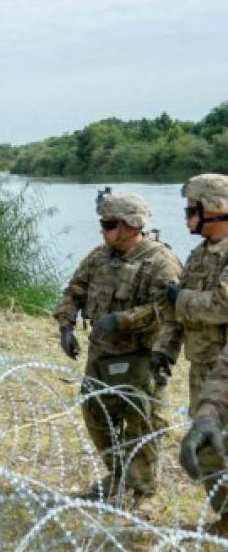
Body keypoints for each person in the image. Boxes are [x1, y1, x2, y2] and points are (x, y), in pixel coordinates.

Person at [54, 190, 181, 504]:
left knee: (142, 419)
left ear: (130, 225)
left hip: (139, 355)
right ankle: (118, 475)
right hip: (101, 354)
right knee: (97, 415)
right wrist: (66, 325)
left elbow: (169, 309)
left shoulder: (159, 262)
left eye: (110, 223)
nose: (104, 229)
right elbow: (75, 290)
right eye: (103, 223)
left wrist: (122, 320)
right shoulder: (100, 256)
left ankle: (140, 490)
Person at [159, 174, 228, 535]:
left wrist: (180, 299)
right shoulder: (199, 255)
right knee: (207, 450)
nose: (187, 218)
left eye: (191, 210)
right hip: (203, 368)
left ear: (213, 209)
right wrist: (164, 352)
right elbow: (177, 313)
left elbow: (221, 305)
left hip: (225, 370)